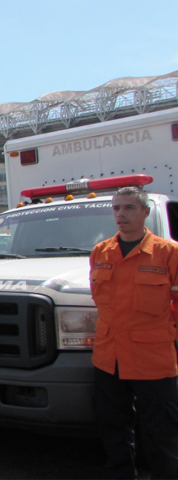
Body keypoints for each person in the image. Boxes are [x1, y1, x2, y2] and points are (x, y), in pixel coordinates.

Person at [90, 186, 178, 478]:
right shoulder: (100, 252)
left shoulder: (169, 253)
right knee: (114, 429)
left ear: (145, 212)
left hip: (153, 359)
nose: (120, 214)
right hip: (108, 358)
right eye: (116, 208)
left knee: (160, 433)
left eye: (128, 208)